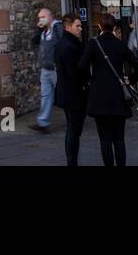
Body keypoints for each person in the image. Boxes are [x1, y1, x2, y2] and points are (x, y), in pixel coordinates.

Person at [78, 13, 138, 167]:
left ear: (100, 26)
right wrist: (130, 79)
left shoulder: (93, 44)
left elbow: (81, 67)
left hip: (98, 96)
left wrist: (90, 80)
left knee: (105, 139)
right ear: (114, 27)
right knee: (119, 139)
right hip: (118, 95)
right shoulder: (120, 44)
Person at [53, 13, 89, 166]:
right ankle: (72, 162)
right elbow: (74, 73)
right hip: (73, 94)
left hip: (69, 93)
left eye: (80, 26)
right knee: (74, 131)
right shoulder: (69, 46)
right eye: (77, 26)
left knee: (73, 130)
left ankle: (72, 161)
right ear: (68, 27)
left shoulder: (66, 43)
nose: (81, 29)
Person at [28, 7, 63, 133]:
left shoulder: (57, 27)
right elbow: (34, 40)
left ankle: (73, 120)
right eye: (39, 17)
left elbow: (63, 41)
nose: (41, 19)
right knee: (46, 96)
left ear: (50, 17)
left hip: (56, 69)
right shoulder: (43, 32)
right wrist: (39, 28)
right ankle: (43, 123)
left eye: (43, 17)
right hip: (45, 69)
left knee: (64, 94)